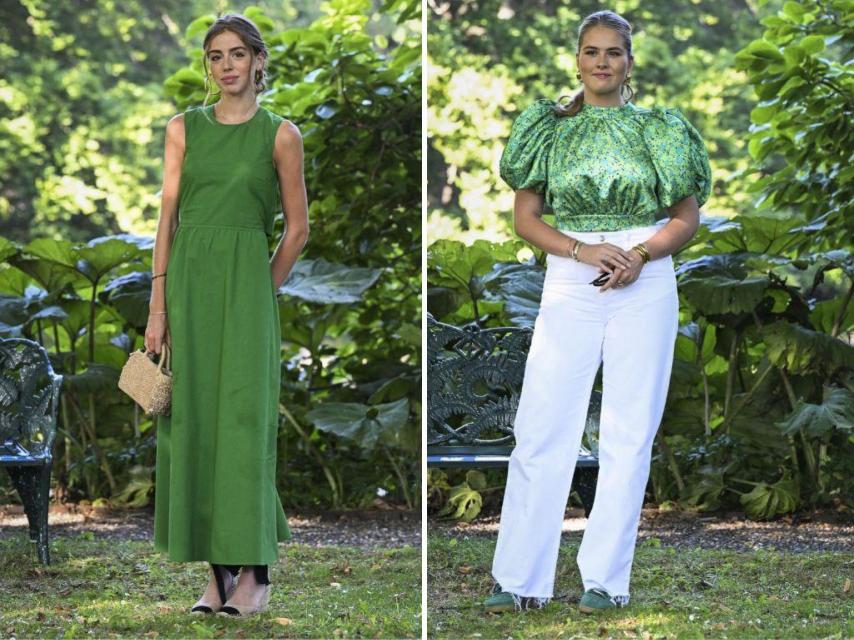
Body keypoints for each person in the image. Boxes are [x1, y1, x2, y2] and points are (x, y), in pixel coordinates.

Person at [484, 10, 711, 614]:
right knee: (542, 427)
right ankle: (519, 580)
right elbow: (526, 218)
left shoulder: (660, 129)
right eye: (592, 51)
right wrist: (582, 250)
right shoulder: (548, 129)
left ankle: (606, 582)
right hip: (571, 273)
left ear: (629, 62)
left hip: (646, 276)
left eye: (614, 52)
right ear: (577, 59)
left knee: (629, 433)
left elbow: (686, 216)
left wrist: (641, 254)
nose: (602, 62)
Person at [144, 13, 309, 618]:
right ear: (208, 67)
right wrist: (158, 305)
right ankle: (218, 577)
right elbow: (167, 219)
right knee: (194, 425)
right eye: (215, 56)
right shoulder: (182, 129)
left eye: (237, 53)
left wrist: (260, 291)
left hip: (246, 296)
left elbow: (297, 230)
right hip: (186, 290)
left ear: (258, 60)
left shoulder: (280, 135)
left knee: (242, 427)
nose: (226, 65)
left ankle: (255, 577)